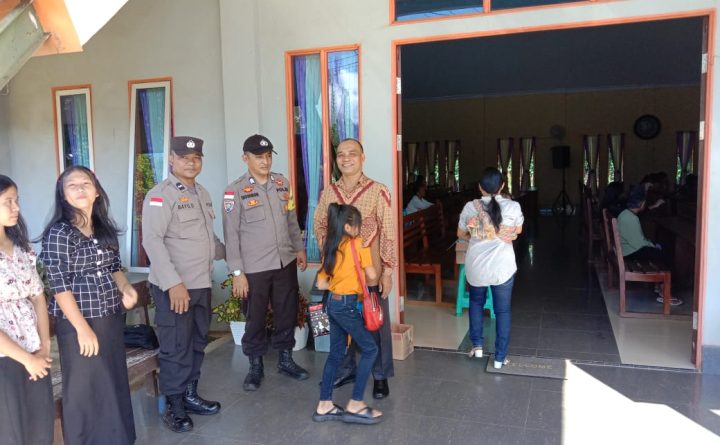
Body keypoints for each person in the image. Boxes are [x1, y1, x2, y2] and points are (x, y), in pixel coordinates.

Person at [40, 166, 137, 445]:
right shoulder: (59, 233)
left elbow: (115, 267)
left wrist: (126, 288)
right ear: (63, 194)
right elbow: (59, 286)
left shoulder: (103, 228)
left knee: (112, 381)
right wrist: (82, 329)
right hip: (78, 324)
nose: (80, 189)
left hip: (109, 317)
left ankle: (118, 438)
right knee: (85, 390)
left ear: (97, 191)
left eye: (86, 183)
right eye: (72, 185)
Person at [142, 136, 226, 433]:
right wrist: (173, 283)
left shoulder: (201, 193)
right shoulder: (160, 195)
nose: (191, 162)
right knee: (176, 347)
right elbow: (152, 241)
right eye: (184, 157)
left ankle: (189, 394)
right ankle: (173, 406)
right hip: (175, 288)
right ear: (171, 160)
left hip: (201, 283)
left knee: (197, 342)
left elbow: (208, 238)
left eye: (196, 158)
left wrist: (235, 254)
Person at [223, 134, 309, 391]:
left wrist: (299, 248)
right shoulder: (234, 191)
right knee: (255, 317)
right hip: (254, 268)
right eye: (259, 157)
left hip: (284, 262)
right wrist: (237, 272)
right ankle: (255, 365)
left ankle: (285, 359)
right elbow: (231, 235)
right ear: (245, 158)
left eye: (269, 156)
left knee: (287, 312)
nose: (265, 161)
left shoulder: (282, 184)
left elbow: (291, 220)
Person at [314, 138, 397, 399]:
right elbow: (319, 224)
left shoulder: (378, 190)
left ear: (363, 158)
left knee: (375, 324)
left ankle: (380, 376)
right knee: (341, 324)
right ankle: (346, 369)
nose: (346, 158)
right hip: (339, 278)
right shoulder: (329, 192)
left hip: (369, 274)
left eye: (352, 153)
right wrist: (329, 249)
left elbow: (388, 232)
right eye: (340, 154)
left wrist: (387, 271)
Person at [313, 203, 382, 425]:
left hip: (332, 304)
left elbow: (321, 284)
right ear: (348, 227)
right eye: (358, 225)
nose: (359, 229)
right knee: (370, 349)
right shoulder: (358, 244)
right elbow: (372, 275)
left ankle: (324, 404)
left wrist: (339, 283)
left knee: (335, 354)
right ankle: (356, 403)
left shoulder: (330, 247)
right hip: (346, 306)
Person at [0, 175, 54, 445]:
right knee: (11, 431)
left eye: (16, 200)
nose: (16, 208)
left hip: (34, 350)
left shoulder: (21, 248)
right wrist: (26, 359)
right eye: (7, 201)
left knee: (39, 426)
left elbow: (38, 298)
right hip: (6, 357)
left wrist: (43, 347)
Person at [457, 167, 523, 369]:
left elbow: (460, 233)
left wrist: (477, 235)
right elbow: (518, 230)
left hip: (477, 266)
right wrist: (503, 234)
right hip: (502, 267)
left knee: (476, 303)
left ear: (480, 187)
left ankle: (477, 346)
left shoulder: (470, 207)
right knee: (502, 311)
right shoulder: (513, 207)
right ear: (502, 186)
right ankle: (500, 358)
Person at [617, 186, 682, 306]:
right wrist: (653, 245)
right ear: (642, 203)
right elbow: (639, 243)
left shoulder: (625, 213)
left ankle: (660, 285)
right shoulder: (632, 219)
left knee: (660, 250)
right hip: (630, 251)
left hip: (627, 249)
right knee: (666, 255)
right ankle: (665, 292)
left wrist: (652, 244)